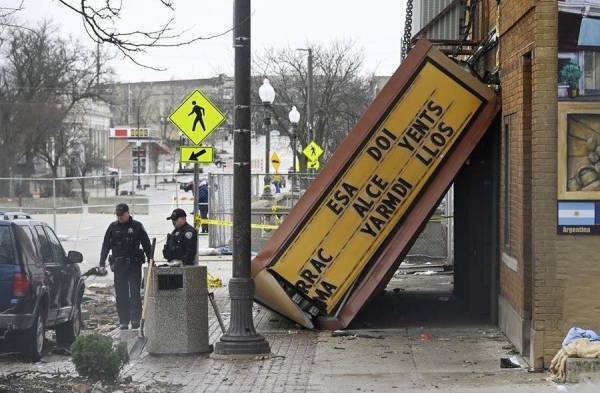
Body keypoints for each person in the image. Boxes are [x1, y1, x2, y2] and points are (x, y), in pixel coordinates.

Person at [99, 204, 152, 330]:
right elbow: (106, 245)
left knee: (134, 292)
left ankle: (135, 319)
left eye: (122, 215)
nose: (120, 217)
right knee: (121, 294)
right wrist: (102, 263)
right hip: (119, 265)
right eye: (117, 215)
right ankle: (123, 320)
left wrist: (151, 260)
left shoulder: (137, 226)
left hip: (134, 264)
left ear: (128, 213)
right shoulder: (113, 227)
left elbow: (146, 244)